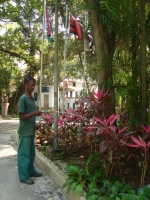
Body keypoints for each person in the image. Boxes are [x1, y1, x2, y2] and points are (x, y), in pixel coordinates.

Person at [17, 76, 43, 185]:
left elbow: (32, 114)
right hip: (25, 131)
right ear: (25, 84)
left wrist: (35, 120)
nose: (33, 87)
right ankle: (23, 176)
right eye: (32, 85)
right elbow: (22, 116)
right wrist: (34, 113)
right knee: (24, 154)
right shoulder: (23, 99)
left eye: (34, 85)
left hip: (31, 130)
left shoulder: (31, 98)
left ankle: (30, 171)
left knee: (31, 153)